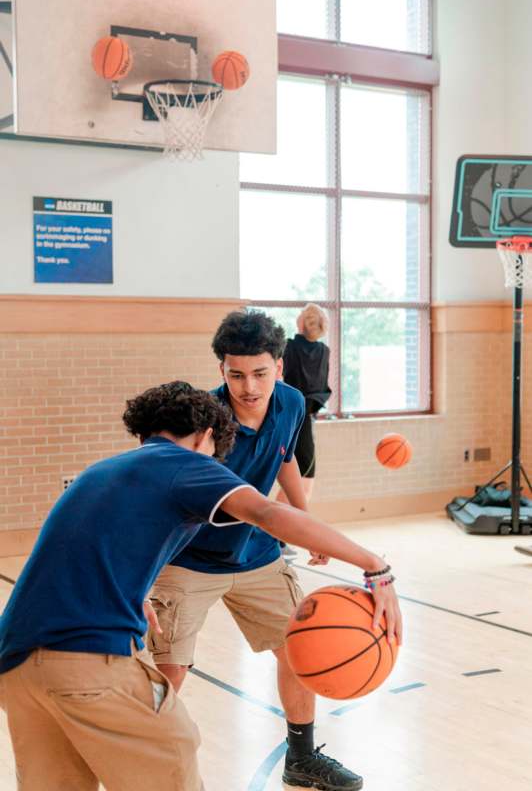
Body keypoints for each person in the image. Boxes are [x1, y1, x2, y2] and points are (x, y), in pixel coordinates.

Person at [0, 380, 401, 791]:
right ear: (206, 437)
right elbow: (266, 512)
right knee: (175, 753)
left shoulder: (101, 472)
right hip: (86, 660)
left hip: (15, 665)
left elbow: (80, 548)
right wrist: (374, 566)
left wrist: (129, 592)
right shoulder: (183, 463)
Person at [147, 311, 398, 791]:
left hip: (258, 554)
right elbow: (169, 496)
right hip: (188, 558)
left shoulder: (292, 403)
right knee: (170, 672)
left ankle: (301, 759)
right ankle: (148, 771)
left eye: (260, 373)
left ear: (279, 367)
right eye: (236, 374)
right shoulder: (201, 421)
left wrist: (305, 521)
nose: (248, 386)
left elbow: (282, 458)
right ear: (221, 370)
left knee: (298, 651)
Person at [280, 303, 331, 502]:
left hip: (292, 416)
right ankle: (272, 530)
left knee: (299, 479)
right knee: (303, 479)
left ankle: (274, 529)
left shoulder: (289, 346)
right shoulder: (324, 351)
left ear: (301, 322)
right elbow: (321, 388)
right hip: (304, 417)